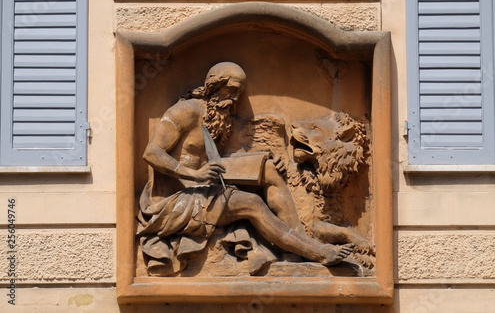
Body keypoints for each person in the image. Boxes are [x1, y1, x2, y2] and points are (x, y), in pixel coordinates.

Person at [136, 62, 353, 276]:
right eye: (230, 91)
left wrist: (268, 158)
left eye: (238, 93)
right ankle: (319, 253)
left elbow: (224, 158)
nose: (234, 99)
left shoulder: (220, 117)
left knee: (268, 169)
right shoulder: (186, 111)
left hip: (203, 187)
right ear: (213, 87)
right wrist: (193, 173)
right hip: (175, 199)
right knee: (252, 203)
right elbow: (152, 152)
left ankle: (297, 245)